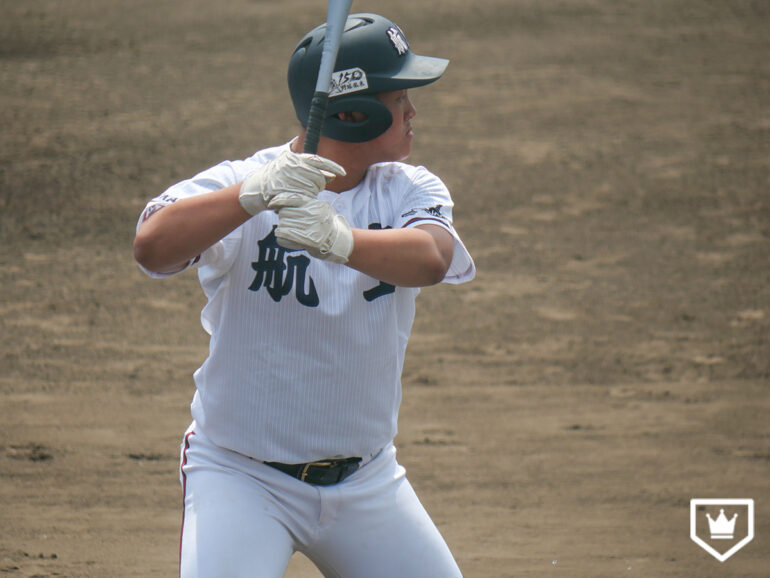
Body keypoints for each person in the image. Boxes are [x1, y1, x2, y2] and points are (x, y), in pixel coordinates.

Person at [133, 13, 475, 578]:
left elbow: (433, 258)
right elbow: (152, 247)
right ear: (353, 113)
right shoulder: (246, 180)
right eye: (399, 97)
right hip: (241, 478)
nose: (414, 112)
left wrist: (340, 241)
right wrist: (252, 195)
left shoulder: (408, 188)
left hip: (367, 481)